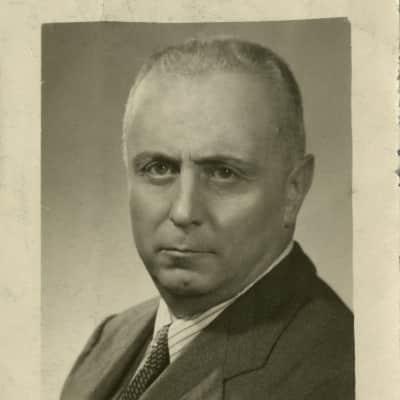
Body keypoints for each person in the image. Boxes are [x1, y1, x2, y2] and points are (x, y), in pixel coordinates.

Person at [61, 37, 354, 400]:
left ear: (293, 190)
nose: (184, 211)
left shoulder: (339, 371)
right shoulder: (108, 339)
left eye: (223, 173)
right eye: (159, 168)